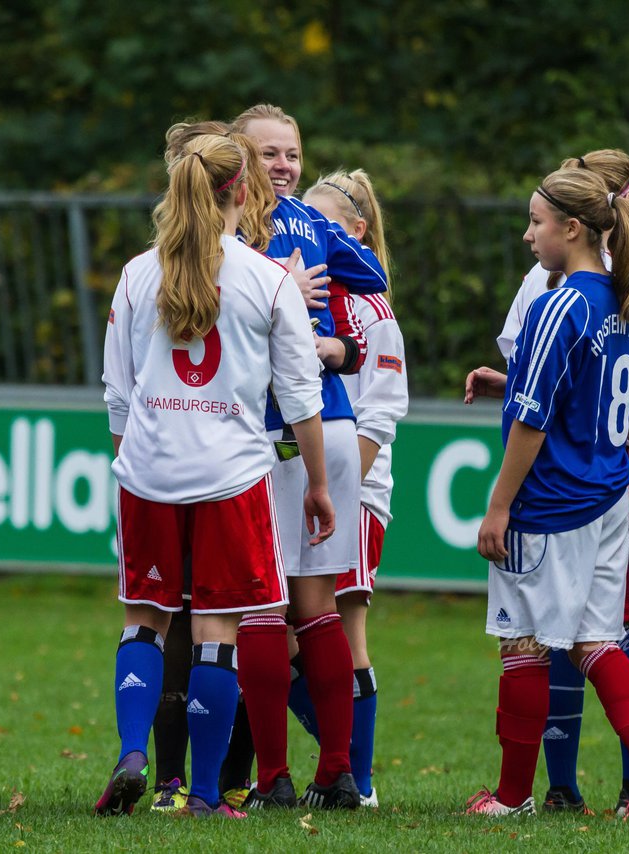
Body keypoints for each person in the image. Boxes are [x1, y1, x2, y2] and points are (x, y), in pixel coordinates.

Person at [97, 130, 332, 819]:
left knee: (142, 622)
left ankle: (135, 751)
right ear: (245, 191)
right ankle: (203, 794)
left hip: (147, 474)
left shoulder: (140, 272)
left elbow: (118, 391)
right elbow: (301, 397)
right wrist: (317, 485)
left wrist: (135, 458)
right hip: (231, 478)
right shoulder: (266, 280)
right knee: (216, 633)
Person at [467, 165, 629, 818]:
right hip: (609, 497)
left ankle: (511, 800)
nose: (529, 236)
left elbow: (534, 420)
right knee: (595, 642)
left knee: (523, 642)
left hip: (550, 502)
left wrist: (499, 506)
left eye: (536, 222)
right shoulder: (623, 305)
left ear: (572, 228)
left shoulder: (556, 304)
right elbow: (617, 409)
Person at [230, 104, 389, 810]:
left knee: (265, 604)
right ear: (238, 158)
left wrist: (285, 301)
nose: (284, 166)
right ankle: (338, 774)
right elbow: (372, 273)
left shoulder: (230, 233)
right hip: (325, 421)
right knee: (318, 606)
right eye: (268, 154)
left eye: (290, 153)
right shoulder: (313, 226)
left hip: (271, 426)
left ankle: (277, 779)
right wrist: (307, 311)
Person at [300, 168, 408, 808]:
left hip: (356, 495)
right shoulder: (308, 295)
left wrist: (343, 485)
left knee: (346, 632)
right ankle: (334, 761)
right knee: (293, 626)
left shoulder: (369, 307)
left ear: (357, 231)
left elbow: (382, 409)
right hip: (315, 486)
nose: (312, 234)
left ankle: (356, 781)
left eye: (325, 223)